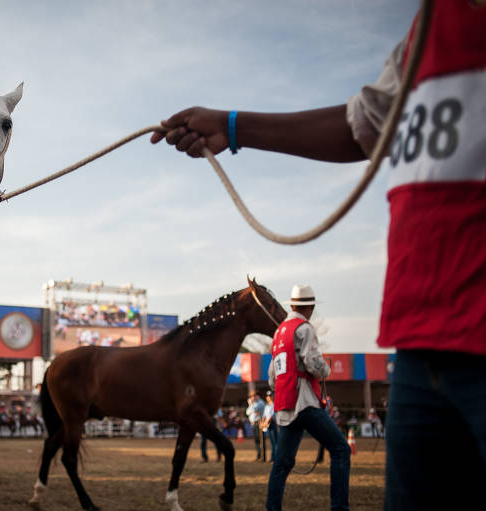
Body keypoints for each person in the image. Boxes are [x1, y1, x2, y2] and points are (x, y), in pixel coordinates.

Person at [151, 4, 485, 508]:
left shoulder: (280, 332)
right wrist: (232, 126)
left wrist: (233, 126)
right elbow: (365, 122)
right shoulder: (428, 28)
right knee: (335, 453)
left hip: (419, 346)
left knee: (284, 461)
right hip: (419, 340)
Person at [269, 285, 350, 510]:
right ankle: (340, 508)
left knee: (281, 464)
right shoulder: (305, 328)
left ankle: (271, 508)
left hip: (284, 403)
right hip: (304, 401)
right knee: (341, 449)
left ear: (292, 305)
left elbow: (272, 375)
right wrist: (326, 370)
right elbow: (312, 362)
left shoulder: (279, 332)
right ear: (310, 307)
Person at [246, 392, 266, 461]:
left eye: (253, 396)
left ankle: (263, 457)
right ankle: (259, 455)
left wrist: (250, 404)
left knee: (260, 440)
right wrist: (252, 408)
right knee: (257, 441)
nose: (252, 398)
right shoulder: (254, 404)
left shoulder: (260, 403)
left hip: (259, 423)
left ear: (258, 396)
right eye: (251, 396)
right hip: (254, 423)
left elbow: (254, 410)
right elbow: (247, 412)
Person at [260, 390, 278, 463]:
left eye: (270, 396)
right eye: (268, 396)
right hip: (268, 425)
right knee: (272, 442)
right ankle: (273, 457)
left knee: (275, 442)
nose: (269, 397)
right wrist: (262, 423)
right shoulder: (267, 406)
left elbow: (271, 416)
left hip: (273, 424)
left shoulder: (275, 405)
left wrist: (264, 424)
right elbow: (264, 416)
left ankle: (276, 458)